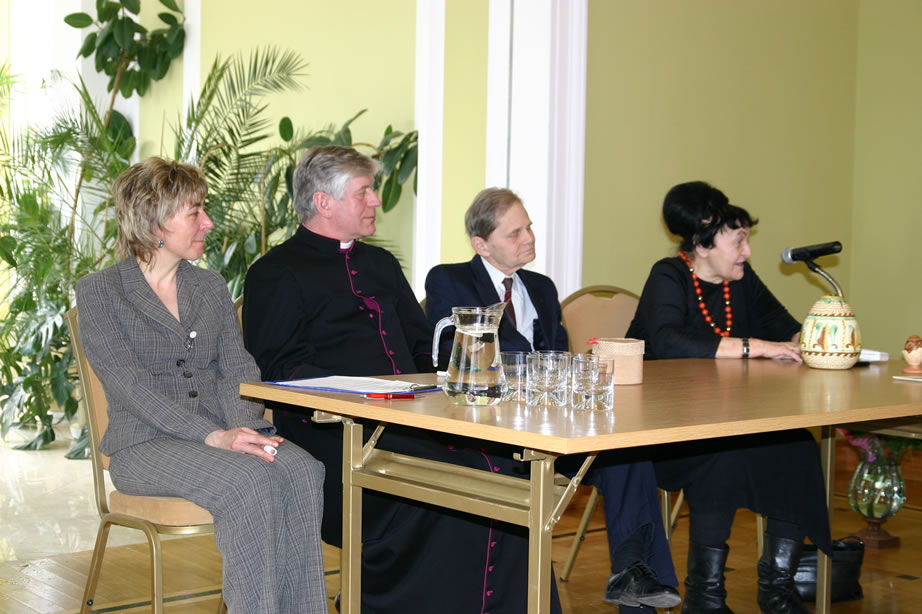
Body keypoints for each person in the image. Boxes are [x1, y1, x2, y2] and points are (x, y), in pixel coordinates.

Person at [245, 146, 563, 613]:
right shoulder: (274, 272)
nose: (376, 200)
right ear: (323, 203)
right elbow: (279, 370)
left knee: (510, 473)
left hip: (414, 418)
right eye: (364, 192)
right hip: (335, 433)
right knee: (464, 483)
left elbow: (422, 346)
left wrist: (455, 378)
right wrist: (363, 396)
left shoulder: (380, 264)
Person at [75, 157, 327, 614]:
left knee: (303, 471)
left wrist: (242, 430)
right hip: (144, 445)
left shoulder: (209, 286)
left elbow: (238, 367)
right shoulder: (101, 291)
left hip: (223, 433)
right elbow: (129, 385)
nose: (207, 222)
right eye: (195, 212)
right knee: (249, 481)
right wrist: (213, 436)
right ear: (155, 222)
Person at [425, 187, 680, 614]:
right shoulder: (449, 279)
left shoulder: (541, 287)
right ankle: (631, 582)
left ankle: (632, 576)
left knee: (628, 450)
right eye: (514, 233)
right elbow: (462, 351)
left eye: (529, 227)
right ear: (481, 245)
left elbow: (559, 354)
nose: (529, 238)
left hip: (551, 421)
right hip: (491, 429)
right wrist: (537, 370)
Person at [626, 181, 832, 614]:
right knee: (720, 456)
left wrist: (819, 337)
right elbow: (668, 342)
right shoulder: (668, 275)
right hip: (665, 431)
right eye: (738, 241)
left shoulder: (740, 279)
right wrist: (755, 346)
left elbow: (784, 325)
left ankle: (777, 589)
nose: (747, 252)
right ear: (703, 245)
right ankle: (705, 597)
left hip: (730, 420)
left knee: (797, 446)